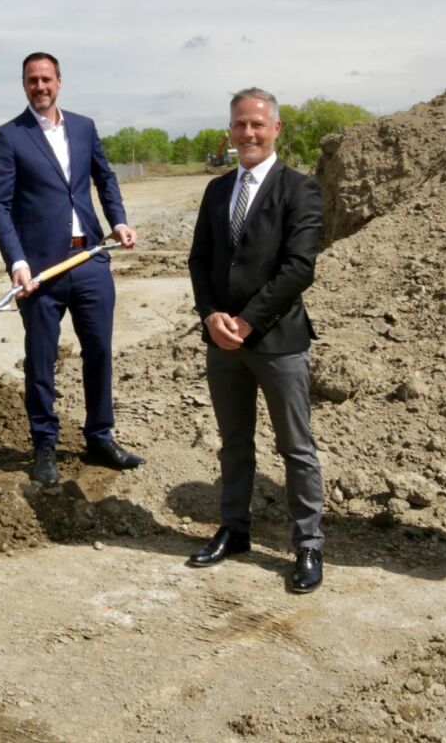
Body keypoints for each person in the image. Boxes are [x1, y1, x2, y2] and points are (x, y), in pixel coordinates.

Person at [185, 89, 326, 592]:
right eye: (240, 125)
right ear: (230, 131)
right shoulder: (217, 191)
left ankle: (308, 544)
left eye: (257, 125)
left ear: (276, 130)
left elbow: (298, 268)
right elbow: (199, 260)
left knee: (296, 446)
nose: (248, 133)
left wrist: (246, 321)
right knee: (234, 443)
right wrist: (210, 317)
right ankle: (235, 528)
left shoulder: (300, 190)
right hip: (223, 343)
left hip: (277, 341)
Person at [0, 51, 142, 486]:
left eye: (46, 79)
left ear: (59, 81)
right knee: (41, 357)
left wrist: (119, 221)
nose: (40, 86)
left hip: (90, 258)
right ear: (23, 84)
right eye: (32, 80)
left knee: (100, 351)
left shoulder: (85, 127)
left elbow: (105, 179)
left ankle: (100, 436)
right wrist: (16, 261)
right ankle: (44, 445)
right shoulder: (9, 137)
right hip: (40, 270)